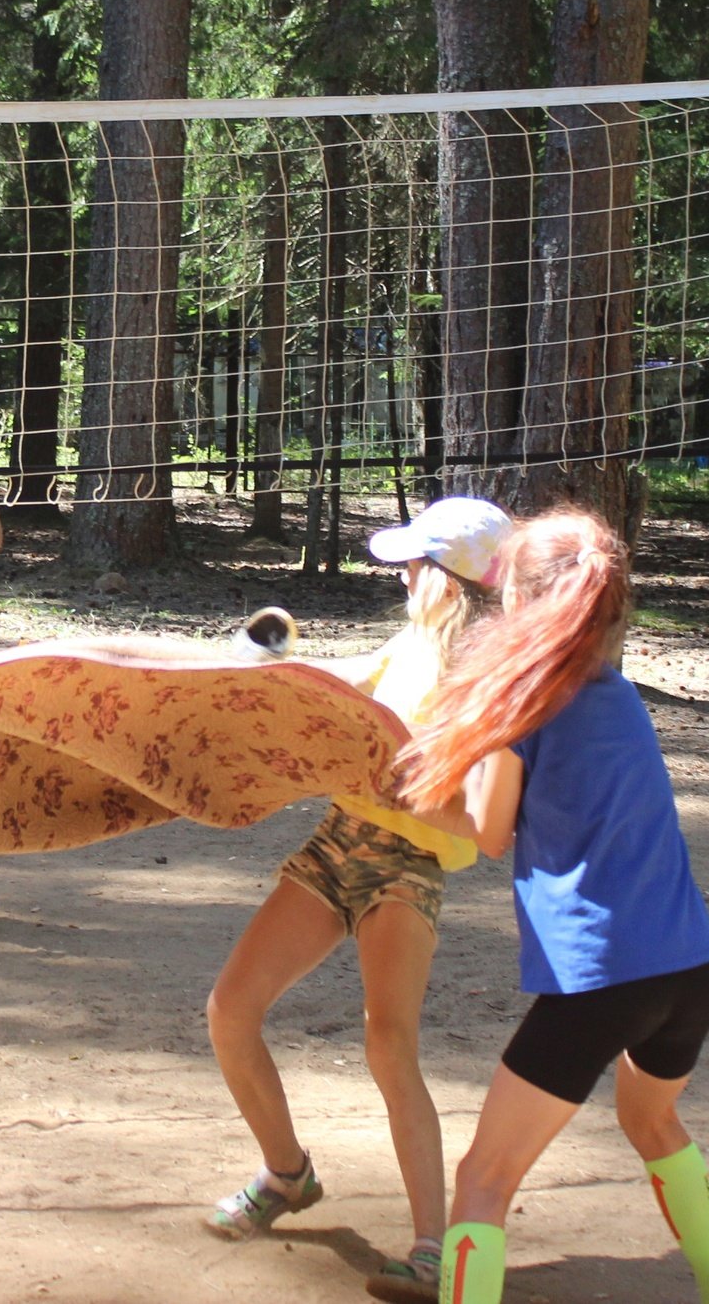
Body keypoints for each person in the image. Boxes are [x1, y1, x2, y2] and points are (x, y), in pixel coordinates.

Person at [397, 510, 709, 1304]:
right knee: (652, 1121)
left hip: (601, 984)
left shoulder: (519, 706)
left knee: (483, 1176)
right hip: (692, 971)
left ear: (521, 599)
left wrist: (411, 794)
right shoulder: (619, 692)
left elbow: (487, 835)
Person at [201, 497, 511, 1302]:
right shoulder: (411, 639)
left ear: (450, 580)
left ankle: (432, 1249)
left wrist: (402, 786)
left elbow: (477, 819)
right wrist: (264, 668)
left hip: (406, 869)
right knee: (231, 1009)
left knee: (388, 1047)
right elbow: (344, 695)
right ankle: (287, 1174)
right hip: (338, 843)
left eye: (417, 563)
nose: (403, 572)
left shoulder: (487, 677)